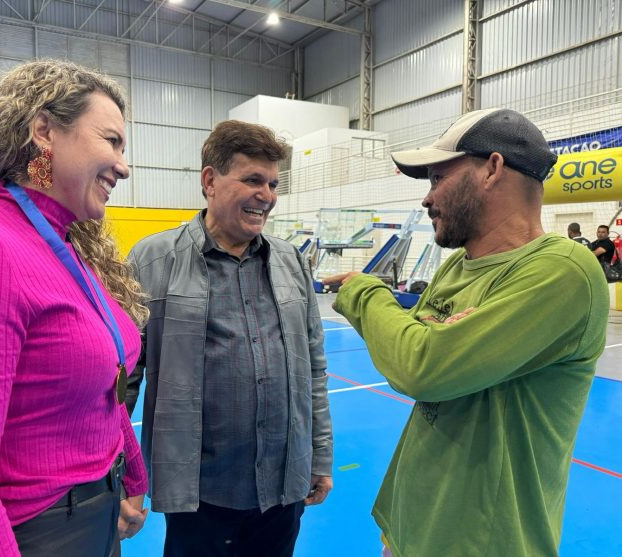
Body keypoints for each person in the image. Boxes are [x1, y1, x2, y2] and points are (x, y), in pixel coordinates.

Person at [324, 108, 608, 557]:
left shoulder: (564, 272)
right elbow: (416, 342)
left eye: (437, 179)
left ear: (493, 169)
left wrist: (364, 291)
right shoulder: (459, 263)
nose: (427, 198)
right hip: (410, 525)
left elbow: (422, 364)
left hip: (481, 541)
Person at [0, 59, 149, 557]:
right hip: (29, 535)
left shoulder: (66, 248)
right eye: (111, 141)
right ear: (44, 132)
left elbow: (106, 380)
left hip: (94, 515)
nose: (124, 165)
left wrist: (129, 474)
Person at [125, 120, 333, 557]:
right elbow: (122, 381)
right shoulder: (153, 259)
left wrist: (319, 457)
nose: (268, 196)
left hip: (282, 489)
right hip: (200, 493)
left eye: (273, 184)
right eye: (253, 180)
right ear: (210, 181)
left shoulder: (291, 262)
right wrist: (120, 476)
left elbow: (314, 368)